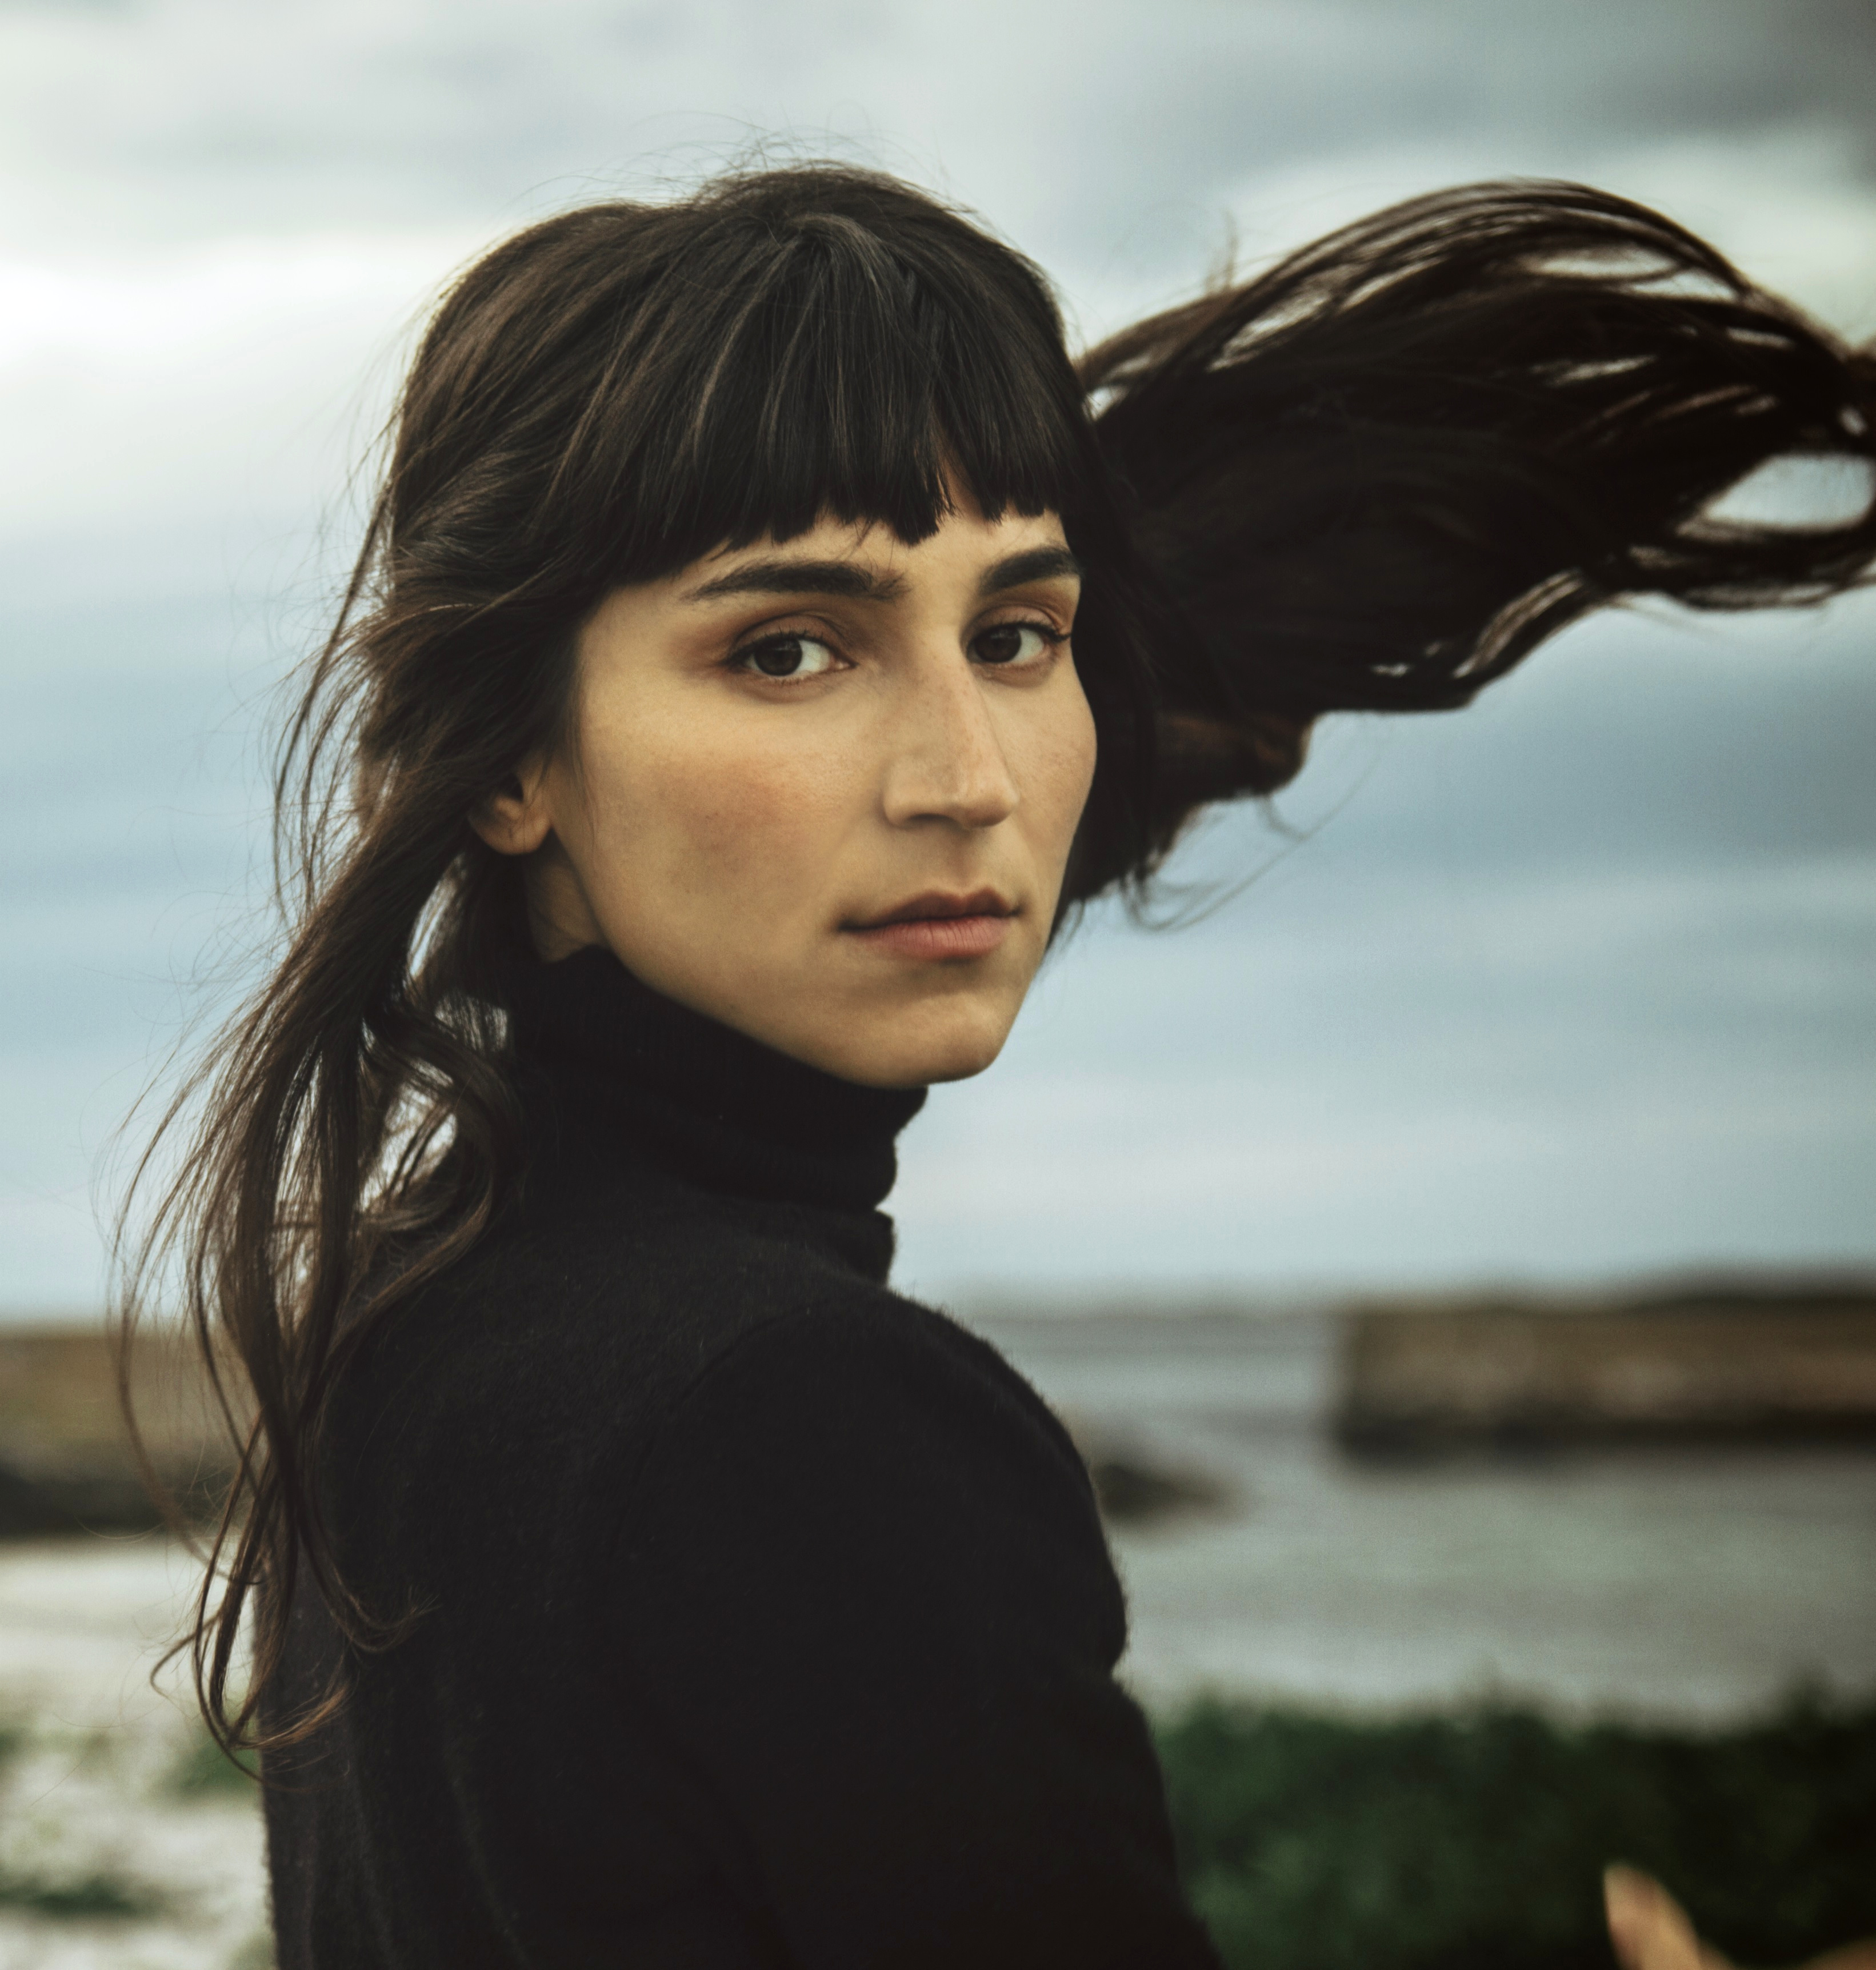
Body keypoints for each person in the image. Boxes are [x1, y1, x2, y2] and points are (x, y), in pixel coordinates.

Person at [117, 163, 1876, 1968]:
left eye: (1016, 636)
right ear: (505, 759)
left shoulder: (413, 1312)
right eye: (788, 651)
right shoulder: (801, 1419)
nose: (966, 777)